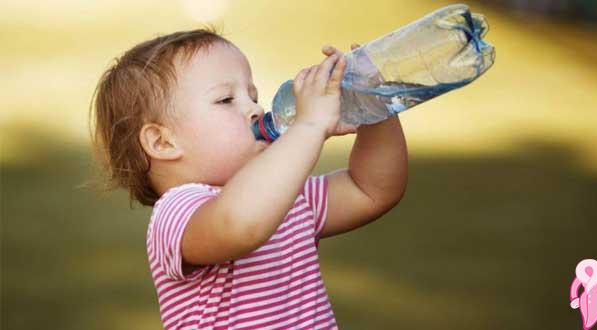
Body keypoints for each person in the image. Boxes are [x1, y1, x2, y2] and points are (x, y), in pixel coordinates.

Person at [90, 26, 408, 330]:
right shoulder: (176, 213)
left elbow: (372, 190)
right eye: (226, 100)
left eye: (253, 95)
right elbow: (241, 226)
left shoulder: (288, 196)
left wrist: (374, 107)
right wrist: (308, 127)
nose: (255, 108)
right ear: (163, 142)